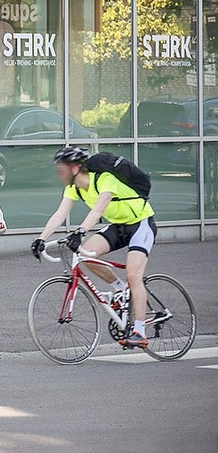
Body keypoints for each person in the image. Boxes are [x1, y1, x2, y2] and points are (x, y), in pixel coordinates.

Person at [33, 146, 157, 349]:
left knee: (134, 276)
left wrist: (81, 230)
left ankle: (140, 331)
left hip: (141, 223)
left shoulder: (104, 179)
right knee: (87, 254)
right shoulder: (73, 188)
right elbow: (59, 215)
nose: (58, 172)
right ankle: (120, 289)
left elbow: (99, 208)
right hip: (119, 225)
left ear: (74, 168)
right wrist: (41, 239)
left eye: (61, 168)